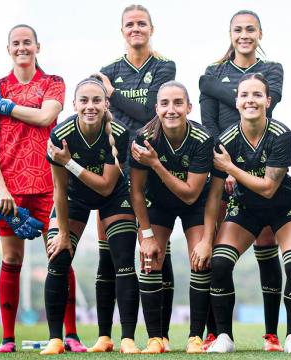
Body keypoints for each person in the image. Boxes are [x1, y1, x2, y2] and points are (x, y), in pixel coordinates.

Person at [0, 24, 85, 353]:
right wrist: (1, 187)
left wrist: (4, 106)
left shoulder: (53, 83)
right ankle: (7, 339)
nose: (22, 47)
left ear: (38, 46)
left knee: (60, 255)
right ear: (8, 48)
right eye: (16, 43)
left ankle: (70, 335)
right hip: (9, 188)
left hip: (50, 184)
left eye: (28, 42)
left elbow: (45, 117)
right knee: (11, 259)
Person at [90, 4, 176, 353]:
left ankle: (161, 334)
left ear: (152, 29)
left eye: (142, 23)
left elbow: (148, 112)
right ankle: (105, 335)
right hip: (116, 166)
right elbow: (101, 116)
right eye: (129, 24)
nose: (135, 28)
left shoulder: (165, 66)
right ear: (122, 31)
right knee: (110, 253)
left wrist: (114, 94)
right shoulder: (109, 69)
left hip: (153, 163)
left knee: (159, 251)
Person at [199, 10, 286, 351]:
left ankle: (271, 333)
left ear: (260, 33)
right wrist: (227, 165)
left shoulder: (272, 70)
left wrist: (213, 87)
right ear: (230, 34)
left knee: (267, 246)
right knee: (214, 250)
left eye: (251, 29)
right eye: (238, 30)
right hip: (223, 165)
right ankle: (215, 332)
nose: (245, 35)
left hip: (258, 165)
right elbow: (207, 125)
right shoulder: (213, 73)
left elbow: (267, 106)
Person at [203, 74, 291, 353]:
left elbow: (270, 188)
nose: (251, 100)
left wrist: (232, 169)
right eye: (245, 95)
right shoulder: (225, 141)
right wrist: (205, 238)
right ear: (237, 101)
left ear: (268, 101)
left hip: (283, 206)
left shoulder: (282, 134)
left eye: (257, 95)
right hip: (246, 208)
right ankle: (224, 337)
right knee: (220, 263)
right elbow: (215, 195)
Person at [42, 76, 140, 354]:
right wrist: (62, 234)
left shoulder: (119, 133)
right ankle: (55, 339)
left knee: (122, 259)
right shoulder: (60, 135)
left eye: (96, 100)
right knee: (58, 255)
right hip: (74, 197)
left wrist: (69, 162)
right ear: (74, 104)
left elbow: (107, 185)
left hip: (113, 197)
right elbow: (59, 191)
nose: (90, 106)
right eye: (83, 100)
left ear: (106, 103)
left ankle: (126, 339)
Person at [129, 81, 214, 353]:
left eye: (178, 103)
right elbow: (137, 192)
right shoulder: (144, 139)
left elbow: (190, 194)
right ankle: (156, 338)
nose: (171, 109)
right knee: (149, 258)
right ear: (157, 108)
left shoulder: (202, 139)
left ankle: (195, 337)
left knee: (200, 260)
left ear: (189, 107)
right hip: (159, 205)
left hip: (194, 204)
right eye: (164, 104)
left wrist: (156, 163)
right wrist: (147, 235)